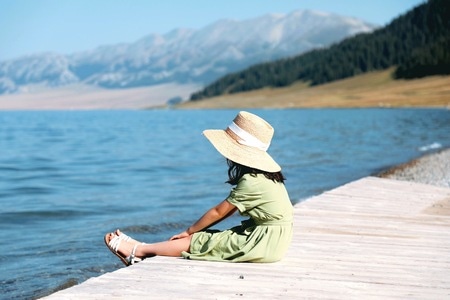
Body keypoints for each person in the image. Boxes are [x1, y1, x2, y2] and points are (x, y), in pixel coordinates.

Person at [104, 111, 293, 266]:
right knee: (208, 238)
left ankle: (138, 251)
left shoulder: (252, 181)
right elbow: (230, 211)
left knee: (197, 241)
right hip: (273, 241)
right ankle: (145, 247)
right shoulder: (267, 177)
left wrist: (189, 231)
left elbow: (219, 212)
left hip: (263, 244)